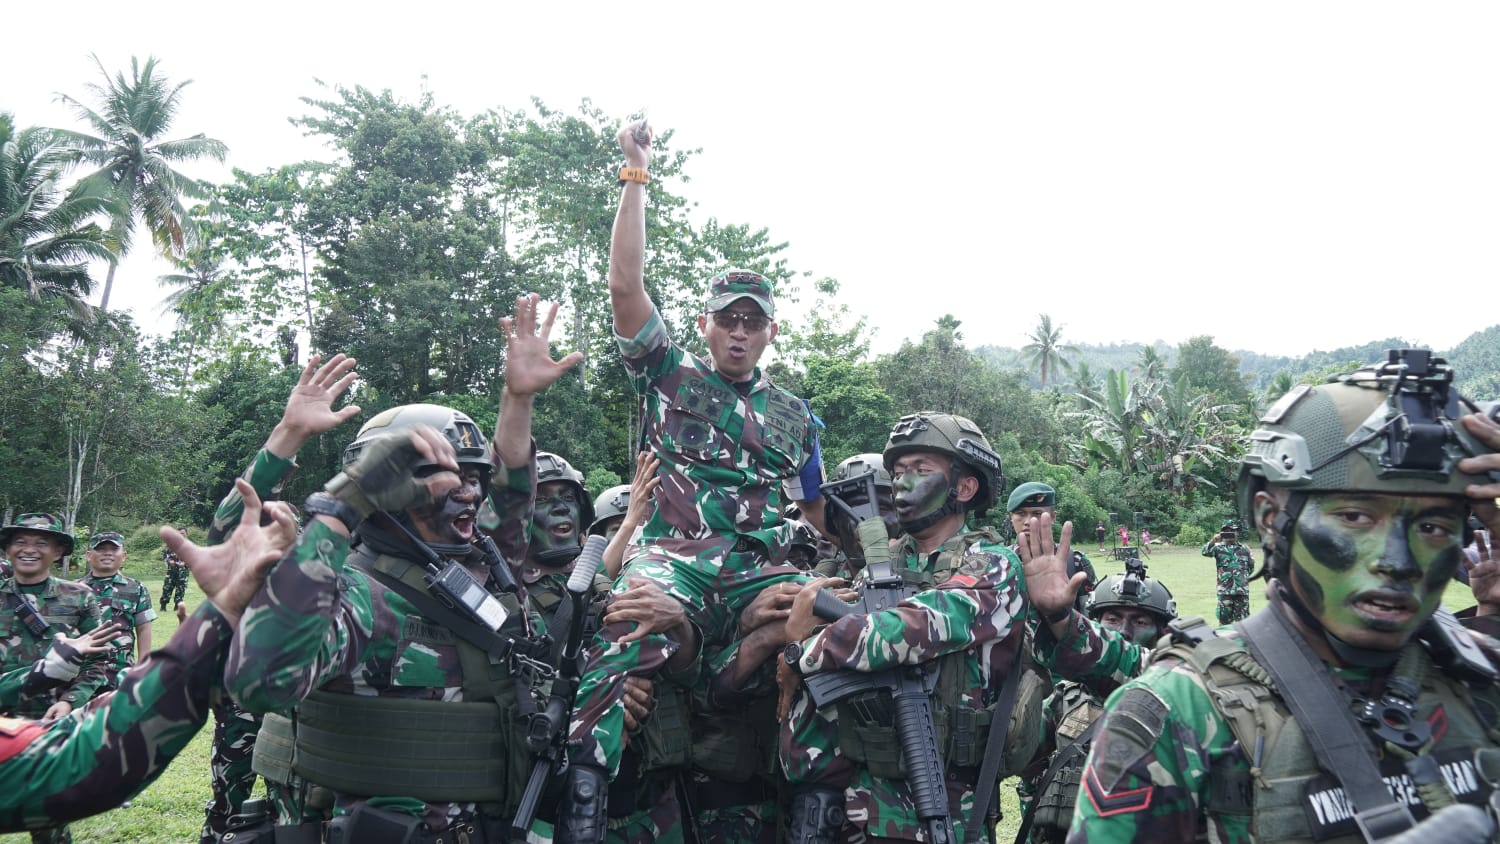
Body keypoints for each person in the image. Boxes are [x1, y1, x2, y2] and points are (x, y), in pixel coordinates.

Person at [1068, 351, 1500, 844]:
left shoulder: (1480, 680)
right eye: (1355, 517)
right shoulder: (1176, 710)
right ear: (1272, 520)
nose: (1398, 562)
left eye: (1433, 526)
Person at [554, 119, 825, 843]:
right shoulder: (669, 377)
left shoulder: (797, 418)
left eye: (753, 322)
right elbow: (624, 287)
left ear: (770, 333)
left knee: (835, 627)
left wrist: (848, 574)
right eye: (728, 319)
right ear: (705, 325)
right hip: (674, 560)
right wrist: (635, 173)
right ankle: (584, 795)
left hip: (758, 570)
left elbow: (818, 511)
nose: (739, 332)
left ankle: (819, 804)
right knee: (627, 616)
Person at [776, 411, 1026, 843]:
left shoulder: (993, 565)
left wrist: (802, 653)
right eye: (897, 472)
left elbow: (915, 627)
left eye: (920, 470)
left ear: (964, 488)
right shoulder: (877, 567)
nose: (901, 484)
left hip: (950, 804)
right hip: (861, 805)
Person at [0, 481, 294, 835]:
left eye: (41, 542)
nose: (29, 550)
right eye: (21, 541)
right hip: (14, 717)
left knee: (54, 813)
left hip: (60, 710)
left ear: (58, 550)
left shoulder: (82, 596)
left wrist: (71, 699)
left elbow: (106, 659)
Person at [197, 351, 362, 844]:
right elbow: (228, 524)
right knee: (231, 803)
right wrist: (288, 434)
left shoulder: (355, 563)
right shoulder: (287, 562)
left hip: (339, 754)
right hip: (264, 727)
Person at [1015, 558, 1177, 844]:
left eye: (1140, 622)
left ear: (1162, 633)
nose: (1124, 631)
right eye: (1112, 619)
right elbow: (1021, 761)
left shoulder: (1177, 701)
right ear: (1093, 624)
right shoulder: (1065, 699)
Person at [81, 530, 156, 692]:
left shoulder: (136, 588)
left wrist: (143, 667)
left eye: (114, 549)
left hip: (121, 673)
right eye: (101, 549)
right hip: (81, 676)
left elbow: (143, 628)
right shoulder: (75, 589)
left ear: (123, 556)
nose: (107, 553)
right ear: (88, 555)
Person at [1200, 519, 1253, 624]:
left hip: (1241, 592)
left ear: (1237, 532)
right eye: (1226, 531)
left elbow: (1251, 567)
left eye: (1232, 530)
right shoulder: (1217, 548)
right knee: (1224, 622)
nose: (1230, 533)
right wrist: (1213, 540)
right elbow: (1204, 552)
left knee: (1244, 623)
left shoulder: (1245, 549)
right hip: (1225, 592)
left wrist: (1241, 579)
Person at [161, 528, 190, 610]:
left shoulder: (189, 546)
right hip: (171, 571)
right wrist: (169, 561)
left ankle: (177, 606)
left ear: (186, 534)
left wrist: (185, 563)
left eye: (182, 533)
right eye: (179, 533)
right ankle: (163, 606)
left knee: (180, 589)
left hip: (183, 572)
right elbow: (165, 555)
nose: (181, 535)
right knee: (167, 588)